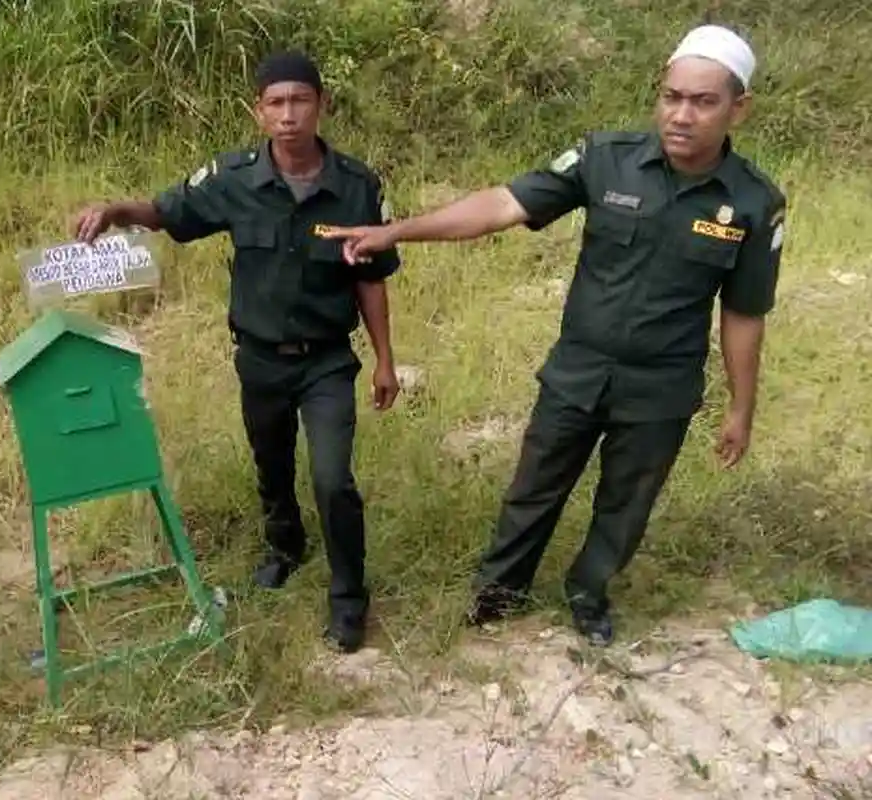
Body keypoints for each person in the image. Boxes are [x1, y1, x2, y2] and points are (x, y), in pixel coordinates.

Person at [320, 25, 786, 646]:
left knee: (626, 504)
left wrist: (740, 406)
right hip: (578, 369)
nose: (681, 115)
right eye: (671, 96)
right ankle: (499, 592)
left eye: (703, 102)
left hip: (662, 385)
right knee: (534, 488)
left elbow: (745, 312)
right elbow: (502, 205)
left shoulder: (754, 204)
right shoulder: (605, 158)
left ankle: (588, 593)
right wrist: (395, 231)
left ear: (738, 108)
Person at [67, 51, 402, 653]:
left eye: (300, 100)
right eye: (276, 102)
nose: (289, 114)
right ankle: (285, 547)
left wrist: (384, 358)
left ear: (321, 106)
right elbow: (167, 213)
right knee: (271, 464)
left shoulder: (356, 185)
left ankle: (349, 598)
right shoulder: (233, 178)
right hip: (261, 358)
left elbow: (370, 278)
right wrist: (117, 211)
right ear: (259, 111)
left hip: (327, 359)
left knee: (333, 479)